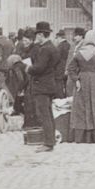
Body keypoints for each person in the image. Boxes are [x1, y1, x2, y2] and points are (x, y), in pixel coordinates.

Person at [25, 22, 58, 152]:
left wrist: (28, 68)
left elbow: (39, 68)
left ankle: (48, 143)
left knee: (44, 114)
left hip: (42, 86)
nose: (36, 37)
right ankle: (50, 141)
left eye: (37, 34)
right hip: (49, 84)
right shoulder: (52, 47)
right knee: (48, 113)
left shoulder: (45, 49)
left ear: (41, 34)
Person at [54, 29, 71, 97]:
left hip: (59, 68)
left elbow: (56, 58)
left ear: (59, 37)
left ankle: (60, 99)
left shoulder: (60, 46)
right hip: (66, 67)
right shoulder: (68, 45)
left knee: (59, 85)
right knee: (66, 85)